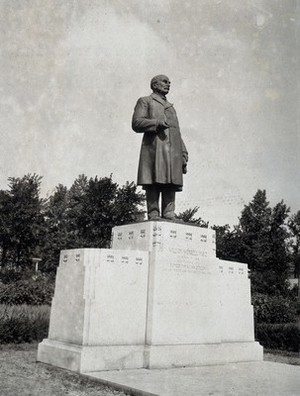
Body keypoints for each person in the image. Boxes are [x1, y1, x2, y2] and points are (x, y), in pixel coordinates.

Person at [132, 74, 188, 221]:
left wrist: (183, 152)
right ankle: (153, 213)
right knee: (154, 178)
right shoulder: (145, 101)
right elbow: (136, 123)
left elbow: (177, 132)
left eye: (169, 82)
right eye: (164, 82)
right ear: (154, 84)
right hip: (155, 147)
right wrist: (156, 123)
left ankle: (169, 213)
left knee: (171, 180)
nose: (168, 84)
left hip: (173, 151)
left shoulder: (171, 107)